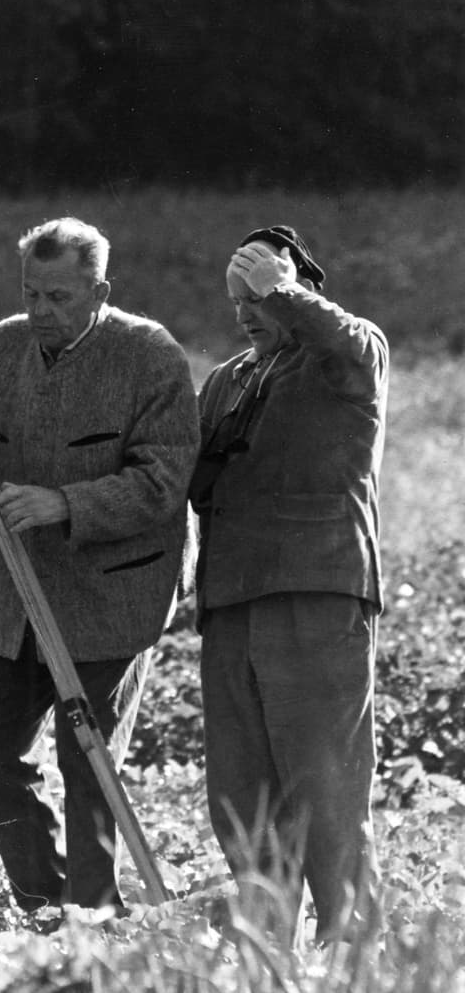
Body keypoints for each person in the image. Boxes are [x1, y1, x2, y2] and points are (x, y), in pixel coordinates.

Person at [0, 217, 199, 916]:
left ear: (99, 290)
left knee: (87, 762)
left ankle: (95, 918)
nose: (41, 311)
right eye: (31, 293)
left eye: (59, 297)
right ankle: (44, 904)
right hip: (19, 595)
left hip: (115, 597)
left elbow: (164, 480)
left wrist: (64, 503)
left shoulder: (150, 356)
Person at [190, 225, 388, 946]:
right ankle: (266, 946)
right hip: (231, 600)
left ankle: (352, 952)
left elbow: (339, 340)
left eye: (258, 292)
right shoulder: (226, 380)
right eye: (236, 295)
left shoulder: (350, 353)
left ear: (297, 288)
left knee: (326, 791)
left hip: (317, 591)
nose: (244, 308)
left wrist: (284, 287)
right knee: (241, 793)